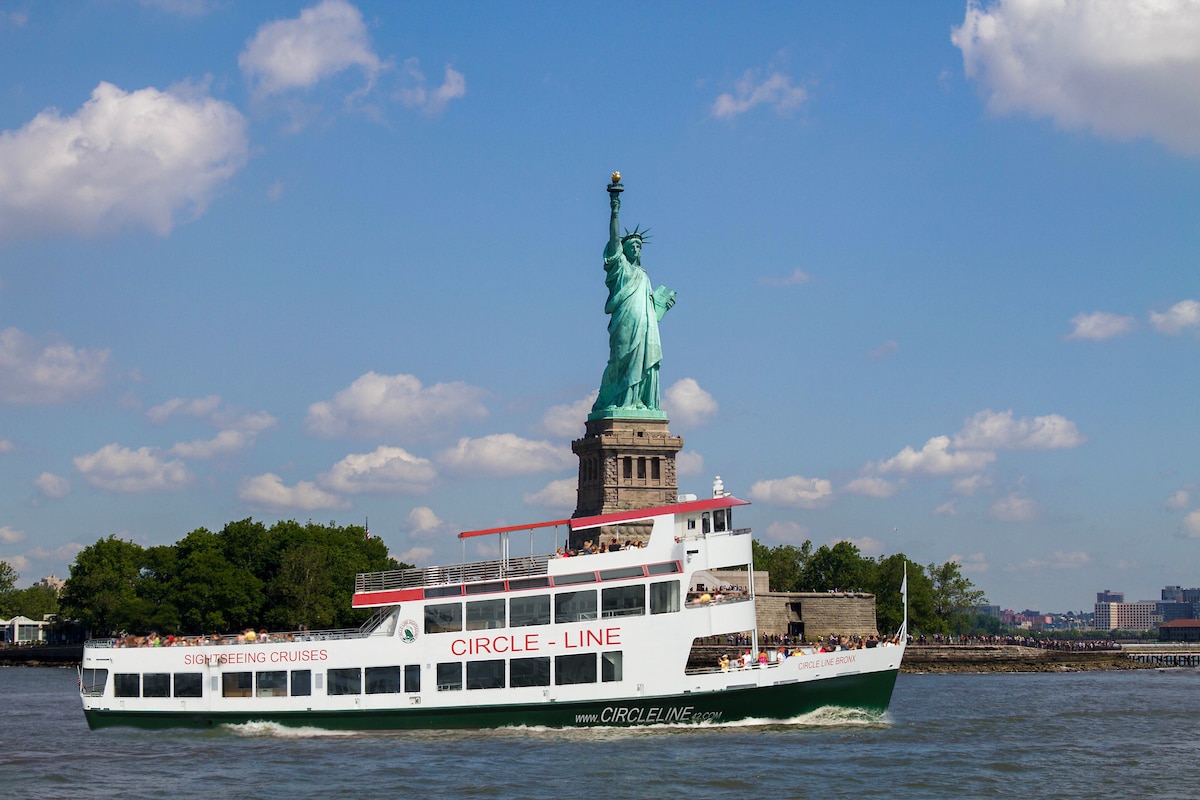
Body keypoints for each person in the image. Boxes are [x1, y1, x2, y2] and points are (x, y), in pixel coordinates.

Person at [591, 181, 676, 414]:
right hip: (625, 322)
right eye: (632, 245)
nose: (636, 249)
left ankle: (638, 401)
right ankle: (621, 400)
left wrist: (662, 306)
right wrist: (614, 210)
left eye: (639, 246)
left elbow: (651, 310)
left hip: (646, 325)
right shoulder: (620, 268)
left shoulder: (644, 276)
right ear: (624, 249)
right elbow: (614, 238)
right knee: (621, 359)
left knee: (645, 361)